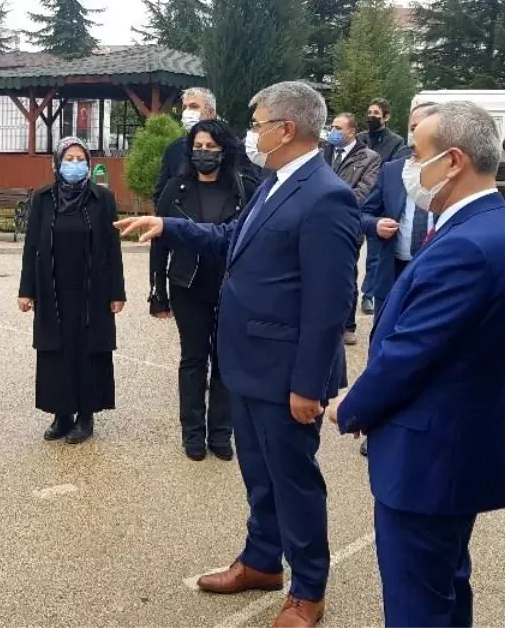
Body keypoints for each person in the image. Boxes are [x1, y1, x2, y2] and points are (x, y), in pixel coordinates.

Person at [118, 81, 358, 628]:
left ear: (287, 129)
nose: (251, 133)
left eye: (258, 122)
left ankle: (308, 589)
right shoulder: (273, 182)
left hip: (285, 374)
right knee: (259, 472)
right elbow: (233, 237)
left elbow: (330, 303)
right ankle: (261, 560)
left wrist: (307, 384)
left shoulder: (326, 195)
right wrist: (170, 225)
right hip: (248, 363)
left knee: (294, 480)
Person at [328, 101, 505, 628]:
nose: (406, 168)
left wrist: (352, 404)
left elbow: (411, 352)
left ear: (454, 160)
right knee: (442, 588)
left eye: (417, 155)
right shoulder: (482, 225)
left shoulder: (471, 243)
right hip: (445, 451)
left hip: (430, 458)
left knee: (417, 603)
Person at [149, 119, 258, 461]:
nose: (204, 154)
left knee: (225, 361)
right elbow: (160, 241)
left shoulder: (244, 188)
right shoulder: (175, 188)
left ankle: (221, 432)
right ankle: (193, 433)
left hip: (231, 287)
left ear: (224, 150)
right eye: (198, 148)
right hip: (187, 285)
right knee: (193, 359)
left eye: (210, 148)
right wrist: (158, 291)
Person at [18, 137, 126, 445]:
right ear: (57, 162)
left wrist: (117, 292)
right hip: (53, 289)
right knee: (57, 350)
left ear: (89, 164)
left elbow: (112, 249)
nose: (75, 164)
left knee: (88, 349)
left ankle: (86, 415)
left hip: (93, 289)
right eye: (69, 158)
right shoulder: (42, 198)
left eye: (80, 158)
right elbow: (32, 247)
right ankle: (61, 414)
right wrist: (26, 290)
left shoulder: (103, 198)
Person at [360, 102, 442, 317]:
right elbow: (362, 214)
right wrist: (375, 224)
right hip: (394, 272)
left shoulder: (454, 172)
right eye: (413, 128)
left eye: (421, 126)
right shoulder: (393, 170)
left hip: (436, 275)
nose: (416, 134)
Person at [326, 113, 381, 346]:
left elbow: (363, 192)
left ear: (351, 131)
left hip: (348, 225)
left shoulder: (369, 158)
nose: (333, 131)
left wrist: (329, 203)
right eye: (332, 127)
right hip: (320, 223)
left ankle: (348, 325)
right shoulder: (323, 151)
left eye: (338, 127)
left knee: (346, 275)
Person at [357, 97, 410, 315]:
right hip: (361, 199)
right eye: (369, 112)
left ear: (386, 117)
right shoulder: (361, 138)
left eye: (376, 113)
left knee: (375, 256)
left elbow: (393, 172)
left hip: (381, 200)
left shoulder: (396, 142)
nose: (372, 116)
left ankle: (368, 294)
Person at [151, 87, 218, 204]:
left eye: (194, 107)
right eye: (184, 108)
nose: (187, 112)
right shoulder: (174, 149)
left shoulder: (230, 146)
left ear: (211, 112)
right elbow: (161, 193)